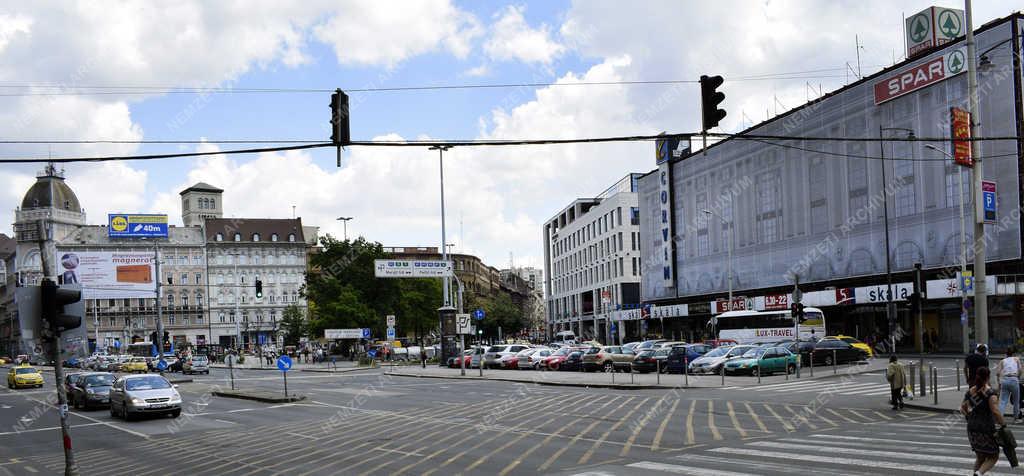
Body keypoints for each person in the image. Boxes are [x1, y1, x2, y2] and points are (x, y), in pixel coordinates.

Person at [962, 366, 1005, 475]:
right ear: (988, 377)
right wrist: (1003, 424)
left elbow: (963, 408)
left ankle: (976, 473)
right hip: (986, 428)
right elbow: (995, 411)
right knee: (994, 456)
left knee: (980, 457)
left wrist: (969, 417)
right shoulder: (990, 393)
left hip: (972, 427)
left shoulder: (970, 391)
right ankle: (979, 473)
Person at [997, 347, 1022, 424]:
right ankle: (1016, 419)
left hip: (1005, 380)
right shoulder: (1016, 359)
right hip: (1014, 379)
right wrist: (1018, 376)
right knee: (1016, 401)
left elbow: (998, 372)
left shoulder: (1002, 361)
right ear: (1013, 353)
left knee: (1003, 401)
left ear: (1006, 354)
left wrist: (999, 380)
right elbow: (1020, 370)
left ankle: (1000, 419)